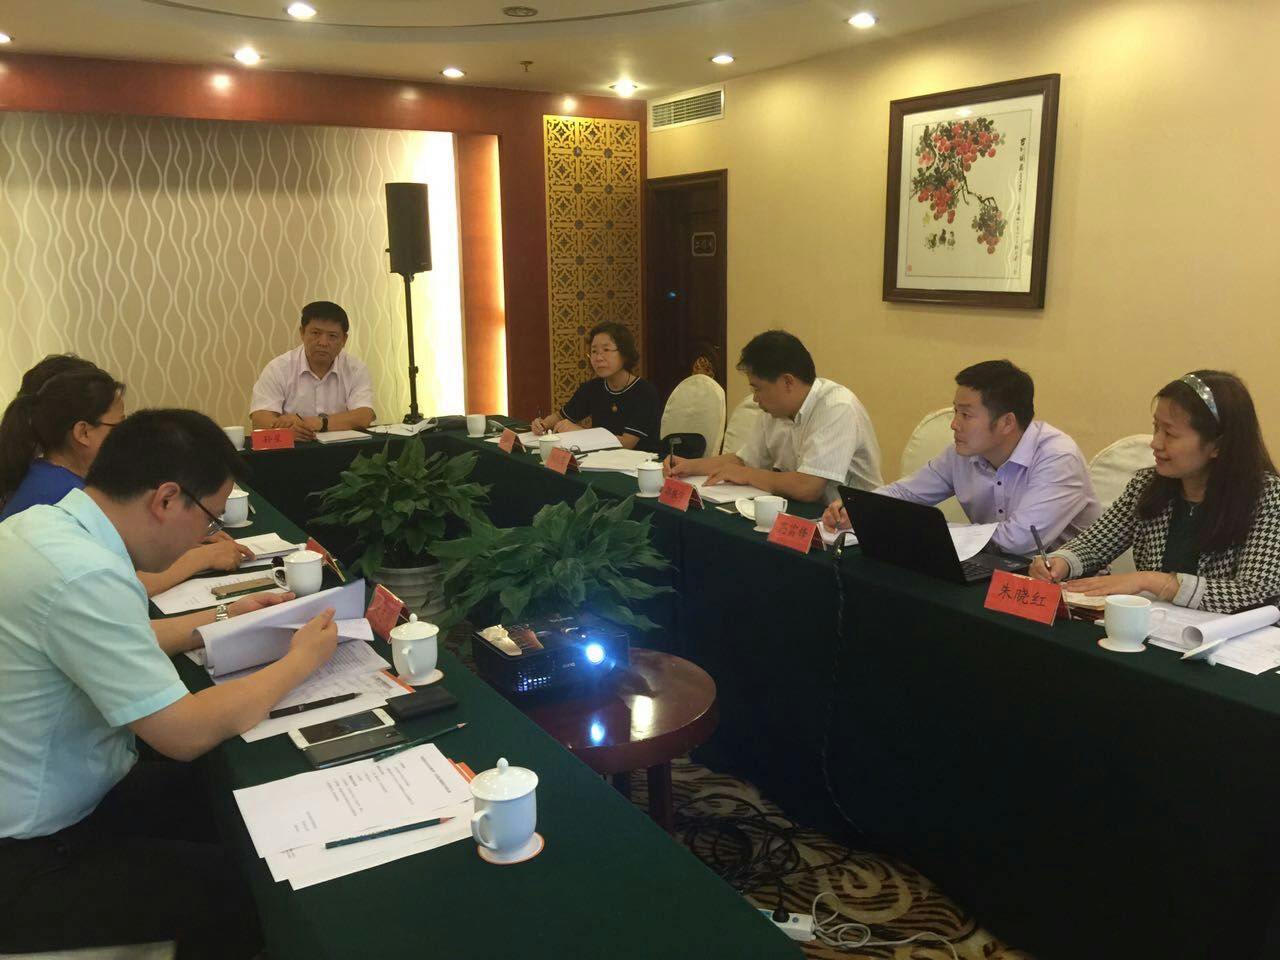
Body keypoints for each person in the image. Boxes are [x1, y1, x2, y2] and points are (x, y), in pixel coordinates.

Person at [0, 408, 337, 959]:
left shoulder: (48, 528)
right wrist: (301, 661)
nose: (205, 537)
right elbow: (183, 732)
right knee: (254, 890)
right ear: (166, 499)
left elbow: (120, 639)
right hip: (30, 854)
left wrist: (227, 618)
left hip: (72, 794)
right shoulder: (83, 573)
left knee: (231, 803)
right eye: (208, 519)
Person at [0, 355, 254, 595]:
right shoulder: (56, 495)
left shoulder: (56, 476)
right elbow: (116, 582)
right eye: (119, 425)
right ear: (83, 433)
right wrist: (201, 558)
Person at [1029, 370, 1280, 614]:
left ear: (1217, 445)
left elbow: (1257, 593)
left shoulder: (1268, 497)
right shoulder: (1147, 485)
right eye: (1156, 428)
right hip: (1156, 625)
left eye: (1169, 433)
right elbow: (1094, 544)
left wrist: (1153, 581)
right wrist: (1061, 562)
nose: (1155, 443)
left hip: (1229, 637)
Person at [821, 360, 1101, 555]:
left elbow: (1020, 540)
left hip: (1068, 589)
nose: (954, 424)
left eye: (966, 414)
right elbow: (907, 493)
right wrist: (857, 508)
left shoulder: (1057, 457)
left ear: (1007, 422)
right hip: (992, 566)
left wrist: (930, 531)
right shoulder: (964, 452)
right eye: (956, 411)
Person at [664, 330, 882, 503]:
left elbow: (807, 487)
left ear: (788, 382)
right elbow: (743, 460)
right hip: (804, 514)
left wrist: (747, 474)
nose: (755, 398)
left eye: (757, 388)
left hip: (852, 524)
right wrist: (690, 466)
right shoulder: (774, 410)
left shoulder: (837, 407)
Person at [249, 300, 376, 441]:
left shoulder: (356, 369)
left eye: (332, 336)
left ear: (344, 340)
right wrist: (284, 430)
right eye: (315, 333)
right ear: (302, 333)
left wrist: (318, 423)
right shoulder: (278, 368)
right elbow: (259, 419)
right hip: (293, 449)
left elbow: (364, 415)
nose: (323, 342)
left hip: (342, 449)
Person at [530, 322, 661, 453]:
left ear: (624, 353)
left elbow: (626, 444)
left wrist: (580, 432)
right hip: (600, 459)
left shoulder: (645, 392)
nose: (598, 358)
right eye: (594, 351)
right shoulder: (592, 388)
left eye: (606, 350)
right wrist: (543, 424)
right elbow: (561, 416)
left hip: (639, 462)